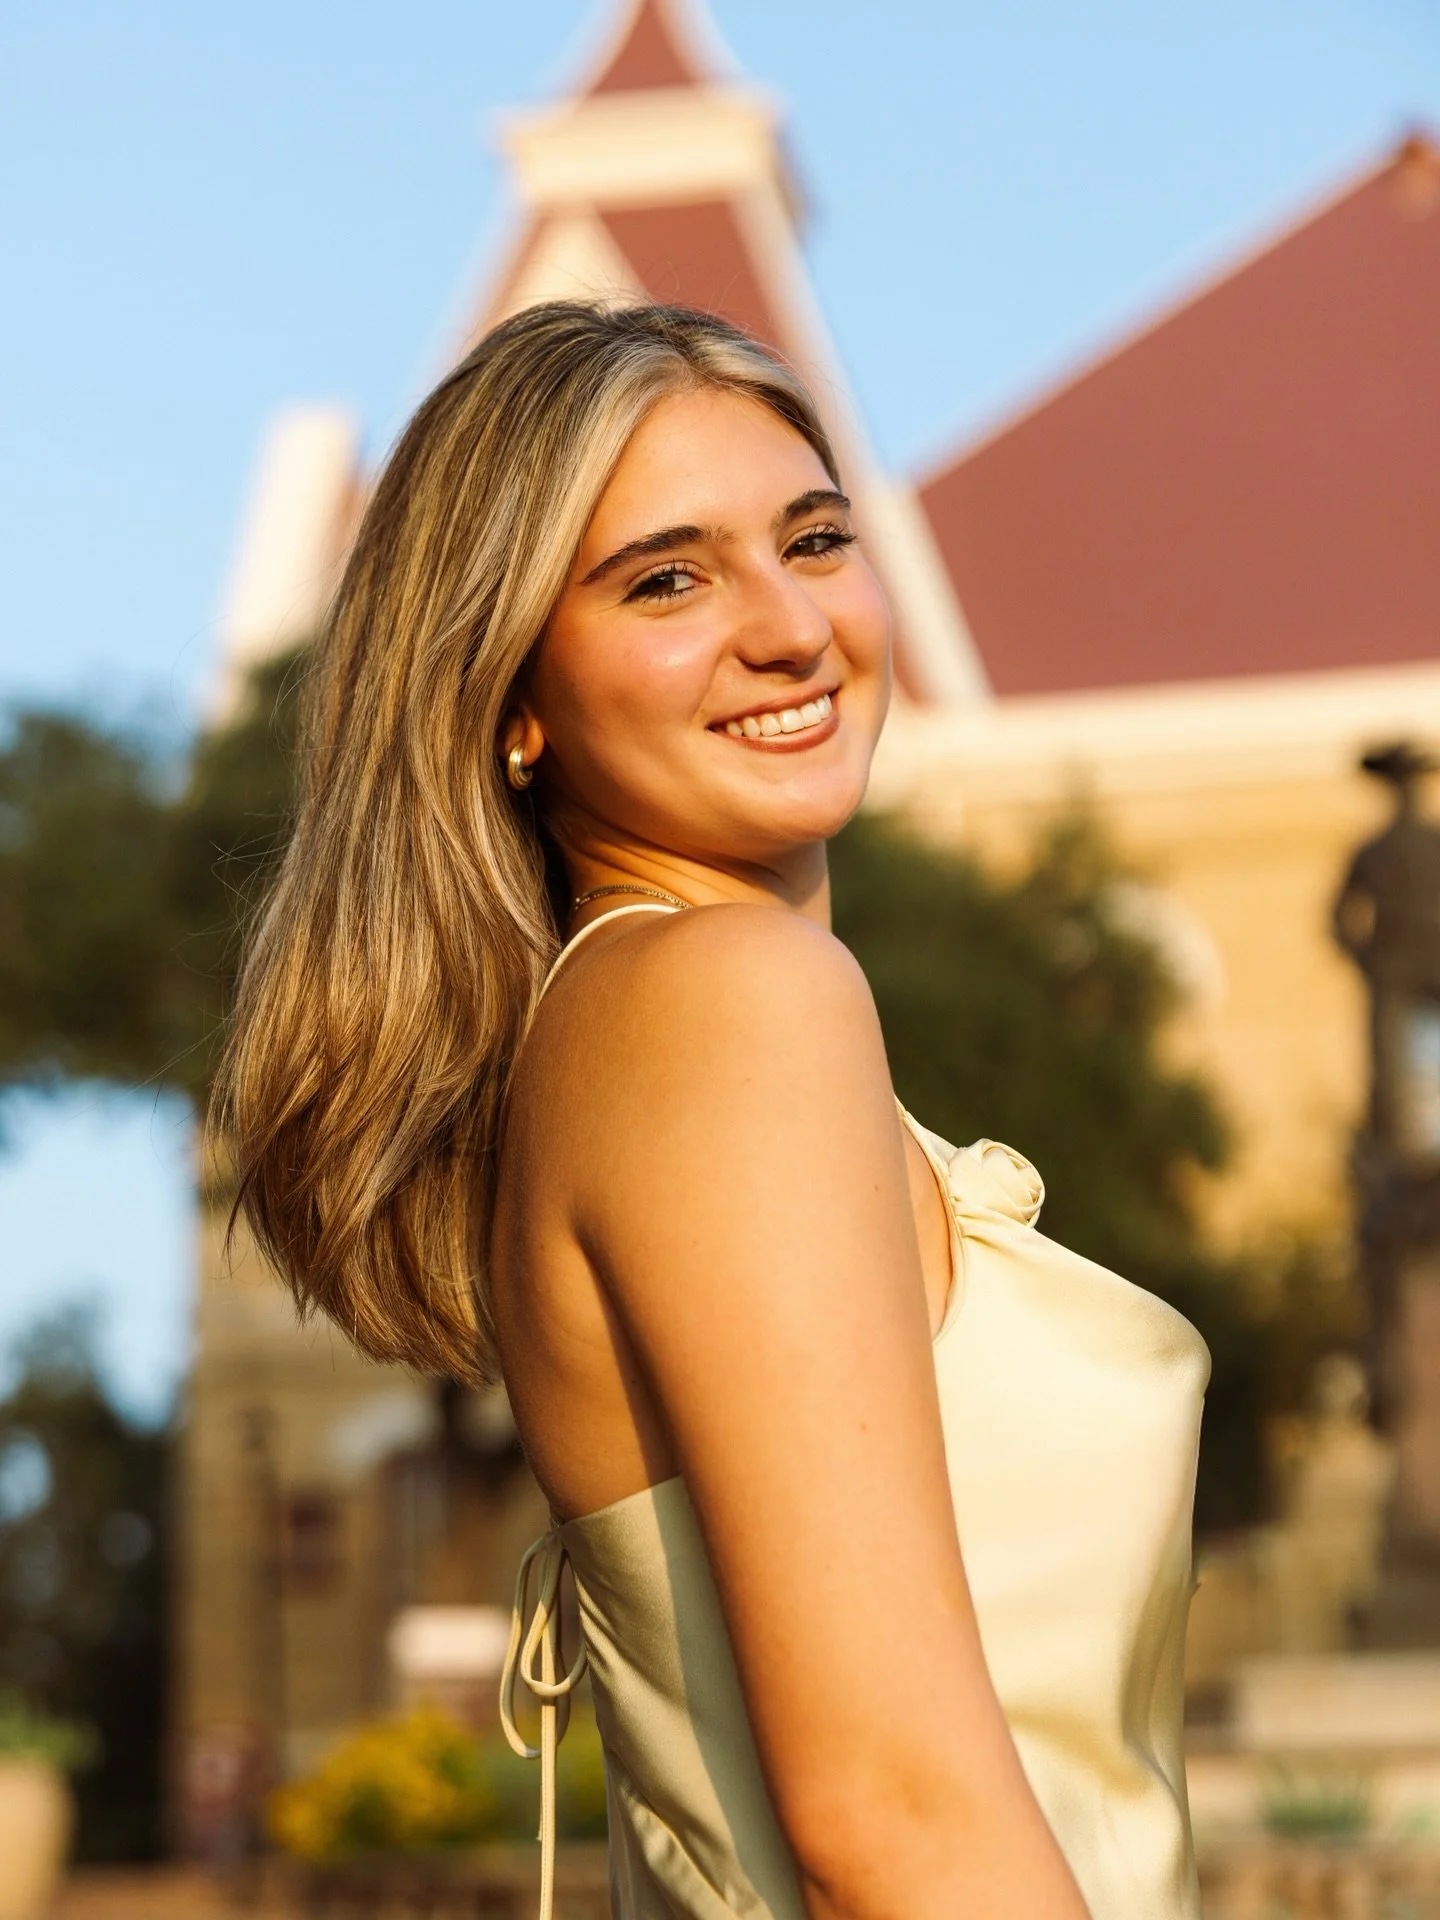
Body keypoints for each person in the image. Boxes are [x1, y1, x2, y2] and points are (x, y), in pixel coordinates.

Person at [217, 302, 1209, 1920]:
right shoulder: (725, 999)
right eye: (666, 580)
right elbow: (891, 1813)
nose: (791, 627)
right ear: (511, 699)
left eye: (814, 540)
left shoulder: (643, 1022)